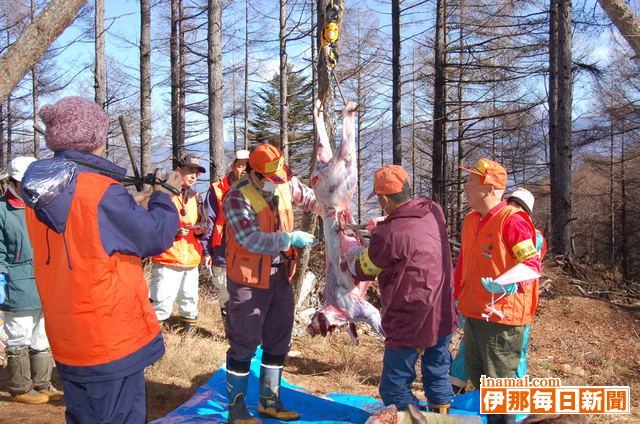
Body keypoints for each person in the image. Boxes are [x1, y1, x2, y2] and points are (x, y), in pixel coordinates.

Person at [21, 96, 181, 424]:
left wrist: (129, 202)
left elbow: (84, 230)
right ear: (95, 137)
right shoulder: (101, 191)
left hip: (68, 333)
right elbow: (154, 237)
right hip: (110, 334)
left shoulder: (39, 190)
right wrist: (165, 197)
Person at [343, 165, 458, 414]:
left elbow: (363, 269)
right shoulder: (432, 210)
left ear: (384, 199)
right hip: (443, 307)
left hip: (410, 312)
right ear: (407, 187)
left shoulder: (388, 233)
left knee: (394, 387)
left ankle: (414, 420)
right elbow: (410, 235)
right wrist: (382, 227)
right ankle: (442, 418)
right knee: (437, 373)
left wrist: (350, 247)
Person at [223, 143, 319, 424]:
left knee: (279, 340)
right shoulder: (237, 197)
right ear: (256, 173)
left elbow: (311, 198)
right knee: (244, 341)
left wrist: (331, 207)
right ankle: (237, 410)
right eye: (271, 179)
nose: (278, 183)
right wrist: (289, 239)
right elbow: (250, 240)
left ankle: (269, 401)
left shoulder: (283, 182)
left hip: (281, 276)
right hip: (248, 279)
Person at [455, 158, 542, 424]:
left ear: (490, 188)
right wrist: (455, 298)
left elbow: (530, 265)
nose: (466, 188)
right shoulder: (471, 220)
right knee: (478, 377)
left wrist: (506, 282)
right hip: (473, 312)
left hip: (501, 318)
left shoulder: (513, 221)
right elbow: (464, 265)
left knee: (499, 389)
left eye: (471, 183)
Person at [1, 156, 63, 405]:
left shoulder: (42, 207)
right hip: (17, 281)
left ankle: (41, 381)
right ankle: (19, 386)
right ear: (15, 182)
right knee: (19, 334)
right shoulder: (4, 211)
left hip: (45, 280)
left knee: (42, 334)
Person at [149, 154, 207, 331]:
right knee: (161, 301)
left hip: (190, 259)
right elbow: (152, 224)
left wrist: (200, 230)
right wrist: (174, 233)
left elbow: (204, 224)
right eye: (190, 171)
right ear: (178, 170)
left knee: (189, 301)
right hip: (168, 257)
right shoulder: (162, 194)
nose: (193, 176)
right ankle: (152, 338)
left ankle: (187, 340)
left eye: (196, 174)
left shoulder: (196, 197)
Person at [202, 149, 250, 318]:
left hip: (249, 252)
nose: (244, 170)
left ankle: (245, 333)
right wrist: (206, 251)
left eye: (248, 166)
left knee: (248, 296)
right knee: (225, 293)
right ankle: (230, 332)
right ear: (233, 166)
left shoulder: (257, 189)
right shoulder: (217, 189)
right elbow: (209, 220)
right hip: (222, 251)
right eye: (241, 165)